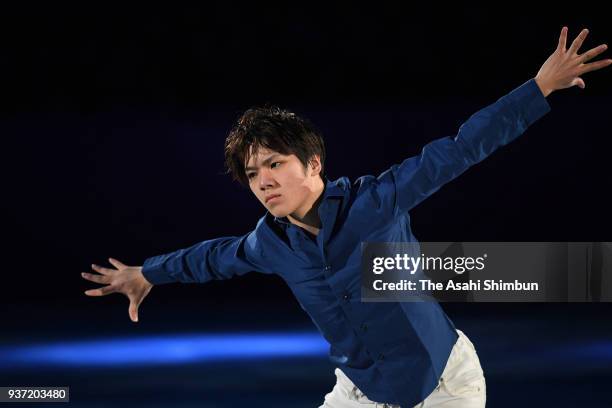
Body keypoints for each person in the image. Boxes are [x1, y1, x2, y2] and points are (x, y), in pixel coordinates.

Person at [82, 27, 611, 407]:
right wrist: (145, 272)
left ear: (313, 164)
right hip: (362, 392)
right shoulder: (270, 243)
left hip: (445, 388)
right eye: (251, 173)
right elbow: (212, 258)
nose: (263, 181)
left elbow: (459, 149)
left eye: (274, 164)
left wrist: (538, 88)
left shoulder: (373, 204)